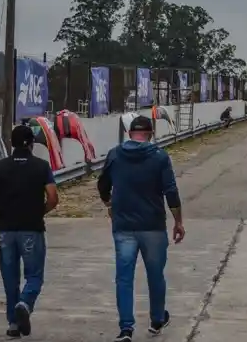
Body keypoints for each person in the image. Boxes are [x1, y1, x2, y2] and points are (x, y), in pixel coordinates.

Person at [97, 116, 185, 342]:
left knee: (124, 278)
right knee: (155, 275)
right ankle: (157, 319)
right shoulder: (160, 157)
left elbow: (102, 184)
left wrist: (109, 204)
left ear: (129, 134)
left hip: (124, 226)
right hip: (153, 227)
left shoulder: (115, 154)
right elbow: (171, 192)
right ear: (151, 133)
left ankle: (126, 329)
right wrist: (178, 221)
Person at [0, 125, 59, 338]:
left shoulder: (0, 167)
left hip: (6, 231)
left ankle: (14, 324)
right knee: (34, 276)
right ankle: (24, 304)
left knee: (10, 279)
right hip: (32, 229)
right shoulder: (41, 167)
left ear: (11, 144)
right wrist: (40, 211)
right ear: (32, 143)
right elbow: (53, 197)